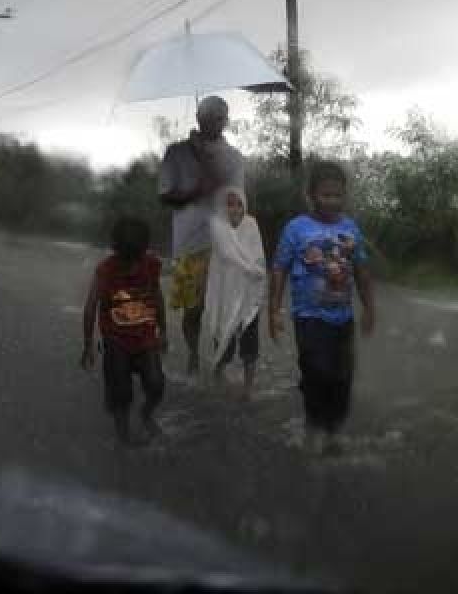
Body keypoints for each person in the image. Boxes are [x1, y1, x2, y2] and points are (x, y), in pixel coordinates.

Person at [269, 160, 377, 456]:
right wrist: (274, 310)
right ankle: (314, 424)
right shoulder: (296, 229)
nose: (332, 201)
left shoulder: (350, 228)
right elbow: (279, 268)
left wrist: (369, 308)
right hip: (309, 317)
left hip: (342, 317)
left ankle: (332, 431)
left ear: (345, 196)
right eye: (326, 195)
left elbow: (361, 269)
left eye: (338, 195)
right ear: (311, 195)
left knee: (342, 376)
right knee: (317, 372)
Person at [158, 95, 246, 376]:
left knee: (224, 307)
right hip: (190, 242)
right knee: (193, 310)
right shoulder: (176, 153)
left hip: (224, 243)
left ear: (226, 120)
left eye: (221, 116)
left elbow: (240, 202)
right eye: (210, 115)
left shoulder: (233, 157)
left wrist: (235, 218)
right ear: (198, 117)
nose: (216, 121)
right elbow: (165, 196)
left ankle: (220, 362)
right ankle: (194, 354)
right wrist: (196, 190)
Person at [81, 216, 167, 446]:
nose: (132, 267)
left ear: (144, 251)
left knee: (156, 383)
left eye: (136, 261)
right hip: (115, 339)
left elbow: (158, 297)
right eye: (126, 262)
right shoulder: (105, 270)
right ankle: (124, 437)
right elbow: (90, 309)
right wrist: (88, 345)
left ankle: (146, 414)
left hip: (146, 337)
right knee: (120, 393)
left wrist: (164, 330)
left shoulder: (151, 265)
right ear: (116, 252)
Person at [202, 186, 267, 401]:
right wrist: (250, 267)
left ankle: (248, 386)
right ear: (223, 206)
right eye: (230, 203)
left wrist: (254, 270)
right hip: (224, 290)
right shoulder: (217, 226)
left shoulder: (252, 224)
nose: (235, 209)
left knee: (249, 337)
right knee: (224, 334)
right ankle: (218, 372)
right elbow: (226, 255)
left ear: (244, 205)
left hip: (247, 291)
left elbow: (258, 256)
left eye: (239, 203)